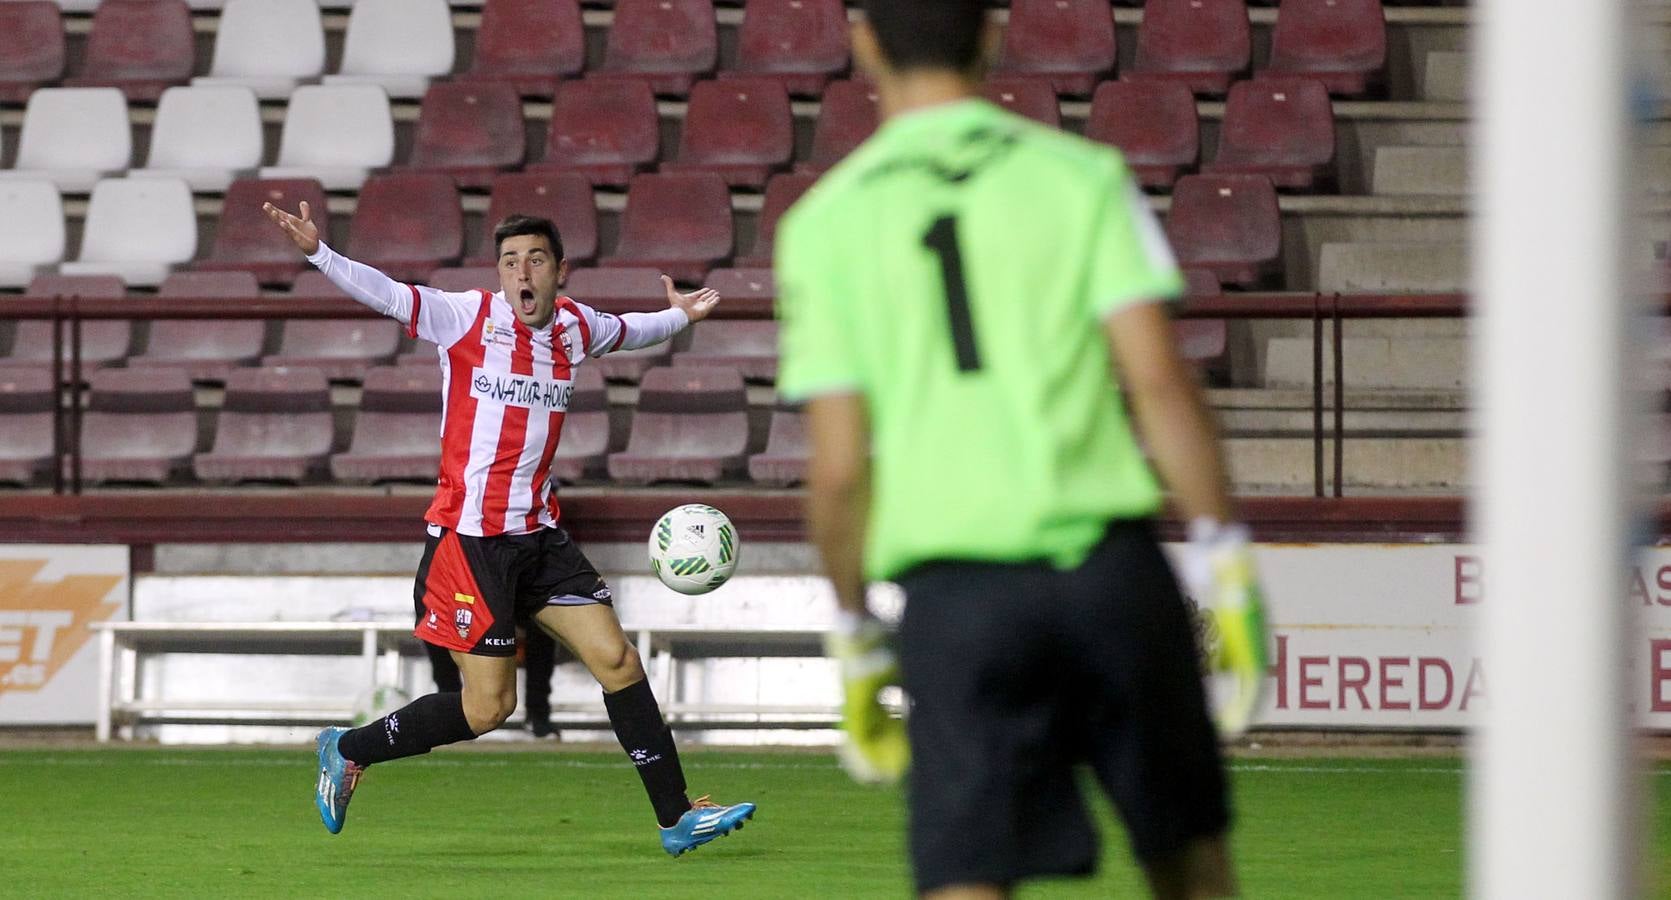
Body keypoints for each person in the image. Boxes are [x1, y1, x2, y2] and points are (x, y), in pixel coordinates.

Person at [775, 2, 1269, 898]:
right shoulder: (1081, 176)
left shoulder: (823, 224)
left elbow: (841, 468)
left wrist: (852, 631)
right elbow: (1158, 382)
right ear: (993, 35)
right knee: (1189, 859)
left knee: (968, 877)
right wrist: (1224, 558)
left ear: (863, 42)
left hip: (959, 600)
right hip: (1109, 572)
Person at [264, 202, 757, 856]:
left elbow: (630, 329)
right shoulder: (467, 317)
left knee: (616, 659)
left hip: (541, 537)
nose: (521, 272)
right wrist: (319, 253)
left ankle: (675, 816)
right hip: (471, 543)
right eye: (510, 261)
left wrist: (680, 315)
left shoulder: (576, 326)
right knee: (488, 709)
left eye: (535, 259)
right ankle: (347, 749)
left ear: (559, 273)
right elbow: (386, 294)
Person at [421, 615, 563, 739]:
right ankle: (451, 710)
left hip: (505, 592)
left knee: (541, 622)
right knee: (434, 619)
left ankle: (538, 714)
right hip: (468, 593)